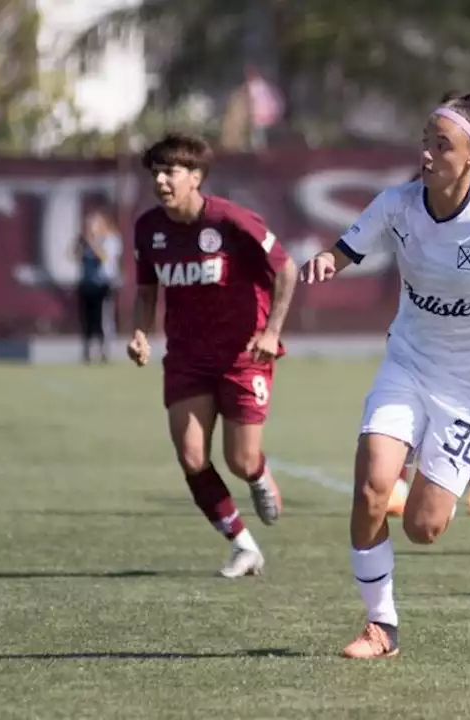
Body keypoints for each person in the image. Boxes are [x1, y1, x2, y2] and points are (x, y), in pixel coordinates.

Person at [300, 94, 470, 659]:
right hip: (409, 362)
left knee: (423, 527)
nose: (426, 152)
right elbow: (348, 246)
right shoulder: (398, 204)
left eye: (441, 144)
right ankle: (380, 626)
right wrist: (329, 260)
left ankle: (431, 460)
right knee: (372, 485)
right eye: (425, 138)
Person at [127, 132, 295, 578]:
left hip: (243, 354)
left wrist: (271, 331)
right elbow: (147, 290)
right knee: (191, 456)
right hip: (187, 357)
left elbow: (287, 269)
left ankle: (258, 475)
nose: (161, 180)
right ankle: (243, 544)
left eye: (171, 172)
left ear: (196, 177)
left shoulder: (230, 221)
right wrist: (141, 332)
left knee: (240, 460)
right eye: (155, 172)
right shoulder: (148, 228)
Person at [386, 92, 470, 519]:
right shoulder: (419, 180)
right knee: (411, 396)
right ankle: (400, 480)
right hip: (429, 310)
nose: (433, 147)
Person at [75, 208, 123, 363]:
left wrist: (92, 242)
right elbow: (73, 255)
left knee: (103, 319)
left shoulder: (110, 240)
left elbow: (104, 257)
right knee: (87, 320)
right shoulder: (84, 242)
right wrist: (81, 242)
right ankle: (87, 351)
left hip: (103, 285)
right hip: (86, 284)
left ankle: (104, 352)